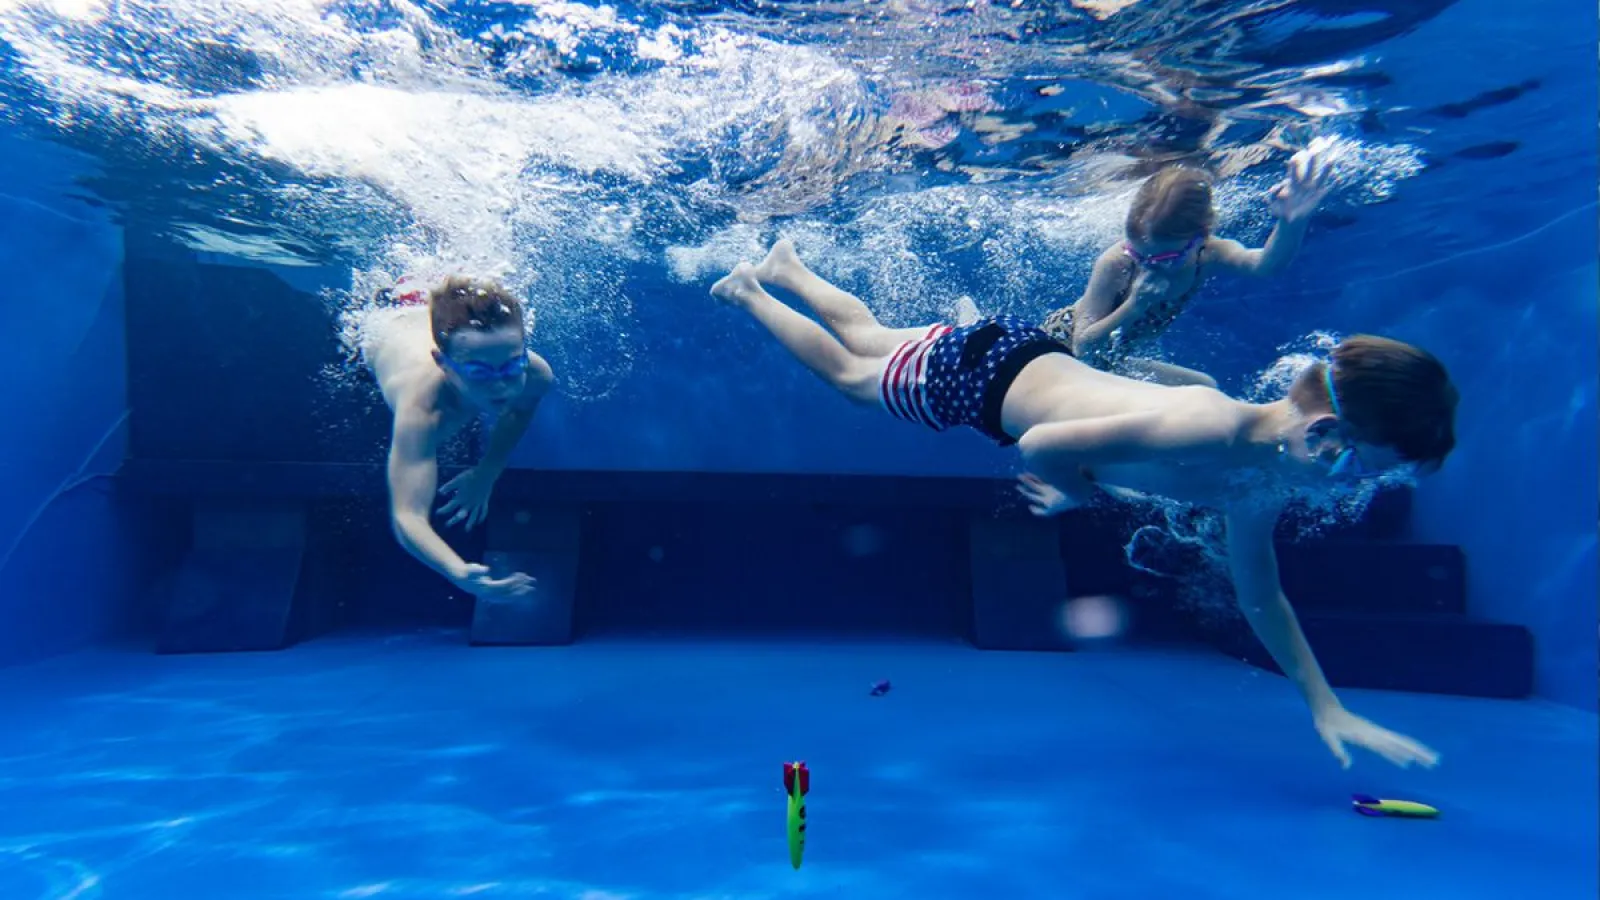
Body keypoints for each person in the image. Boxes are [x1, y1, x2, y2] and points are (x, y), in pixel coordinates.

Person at [710, 239, 1457, 770]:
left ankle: (790, 269)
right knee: (849, 375)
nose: (1354, 488)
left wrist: (1325, 705)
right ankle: (749, 288)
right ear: (1325, 433)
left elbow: (1263, 598)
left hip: (1018, 355)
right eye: (1362, 469)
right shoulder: (1211, 427)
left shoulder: (1257, 481)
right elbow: (1040, 446)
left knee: (871, 335)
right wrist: (1073, 492)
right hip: (988, 385)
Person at [1042, 149, 1332, 387]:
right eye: (1138, 253)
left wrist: (1292, 221)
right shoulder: (1117, 262)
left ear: (1201, 237)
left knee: (1203, 389)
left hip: (1109, 360)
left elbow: (1265, 266)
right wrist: (1134, 304)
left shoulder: (1210, 254)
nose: (1147, 265)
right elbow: (1083, 346)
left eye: (1162, 259)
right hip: (1059, 351)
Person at [362, 275, 553, 599]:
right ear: (443, 364)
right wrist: (457, 571)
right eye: (479, 373)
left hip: (426, 312)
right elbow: (407, 516)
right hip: (389, 314)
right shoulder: (422, 412)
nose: (500, 385)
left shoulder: (535, 374)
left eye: (511, 367)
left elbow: (518, 412)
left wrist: (487, 472)